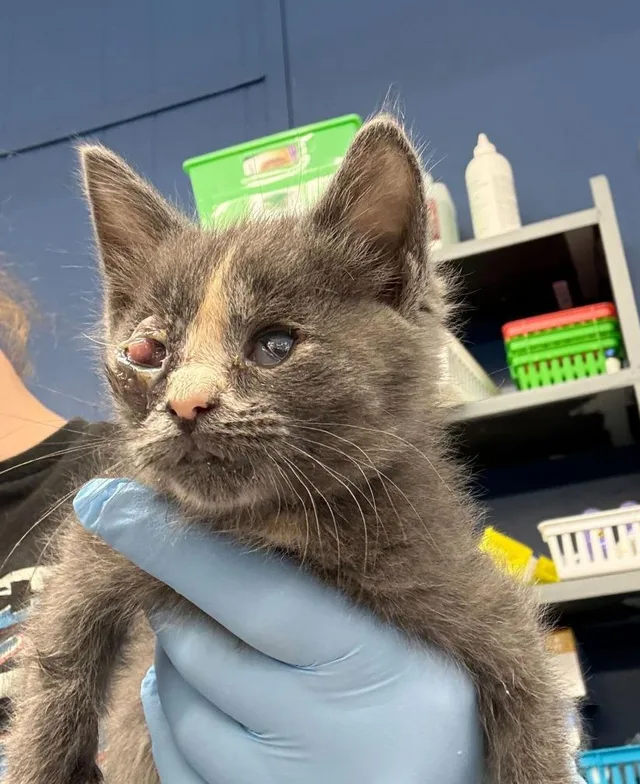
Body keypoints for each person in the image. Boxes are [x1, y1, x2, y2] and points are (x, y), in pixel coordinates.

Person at [0, 269, 488, 781]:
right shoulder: (147, 470)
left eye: (274, 344)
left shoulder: (152, 483)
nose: (186, 398)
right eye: (154, 353)